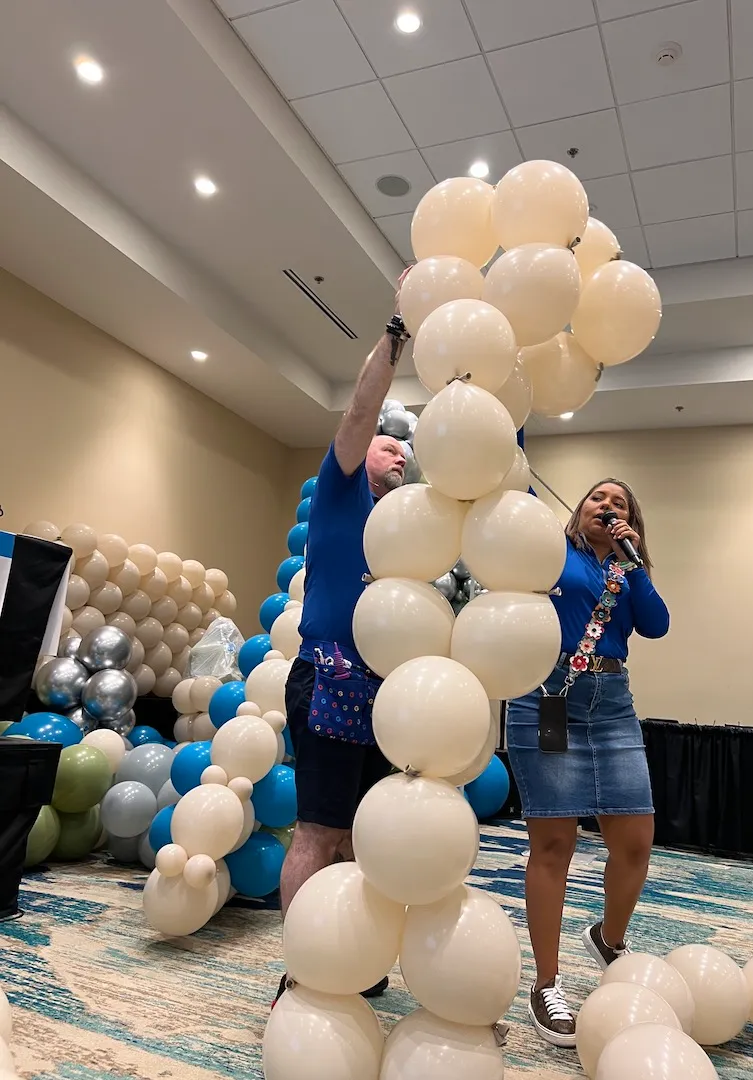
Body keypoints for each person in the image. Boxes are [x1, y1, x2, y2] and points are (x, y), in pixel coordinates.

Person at [274, 275, 410, 1005]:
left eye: (402, 450)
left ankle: (351, 956)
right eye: (388, 445)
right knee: (318, 833)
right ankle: (302, 967)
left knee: (364, 840)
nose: (398, 453)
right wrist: (398, 330)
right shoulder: (340, 487)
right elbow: (361, 408)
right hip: (330, 677)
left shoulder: (407, 531)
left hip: (385, 692)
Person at [507, 479, 670, 1048]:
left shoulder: (627, 568)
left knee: (636, 841)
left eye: (620, 503)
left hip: (612, 706)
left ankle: (608, 938)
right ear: (578, 511)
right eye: (598, 498)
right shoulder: (554, 551)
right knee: (554, 843)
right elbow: (517, 492)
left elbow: (656, 624)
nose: (607, 506)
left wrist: (635, 561)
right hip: (549, 698)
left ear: (632, 522)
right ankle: (547, 984)